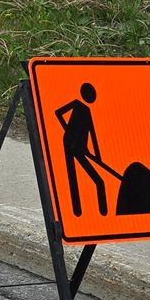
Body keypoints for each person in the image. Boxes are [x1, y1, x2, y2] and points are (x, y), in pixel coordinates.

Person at [54, 82, 107, 218]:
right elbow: (58, 113)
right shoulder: (76, 104)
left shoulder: (87, 111)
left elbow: (92, 134)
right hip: (68, 143)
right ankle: (77, 213)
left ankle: (103, 214)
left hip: (80, 147)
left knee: (100, 182)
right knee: (72, 175)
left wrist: (97, 156)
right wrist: (68, 131)